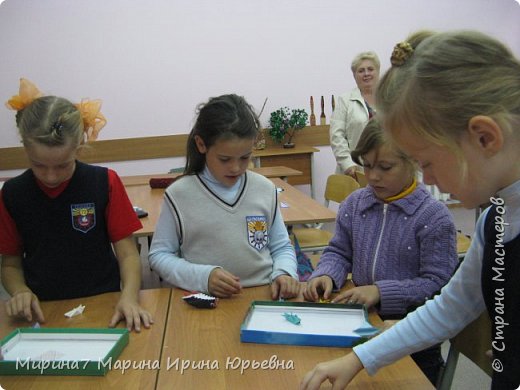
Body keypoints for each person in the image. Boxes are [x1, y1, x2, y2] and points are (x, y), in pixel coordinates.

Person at [301, 30, 520, 390]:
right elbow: (450, 308)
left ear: (485, 137)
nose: (427, 177)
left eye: (426, 161)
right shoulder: (494, 220)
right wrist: (358, 359)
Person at [304, 118, 458, 385]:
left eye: (385, 167)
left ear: (413, 161)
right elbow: (339, 251)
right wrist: (327, 274)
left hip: (414, 343)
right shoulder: (355, 203)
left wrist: (380, 291)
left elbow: (438, 286)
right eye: (367, 165)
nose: (373, 176)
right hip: (360, 326)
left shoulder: (434, 218)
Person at [0, 78, 153, 332]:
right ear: (25, 149)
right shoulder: (12, 194)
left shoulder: (104, 182)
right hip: (42, 311)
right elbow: (10, 263)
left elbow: (128, 254)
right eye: (39, 165)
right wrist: (20, 291)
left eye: (62, 165)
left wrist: (128, 297)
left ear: (79, 148)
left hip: (104, 301)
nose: (50, 176)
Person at [148, 94, 300, 299]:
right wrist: (204, 277)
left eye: (245, 157)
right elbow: (159, 256)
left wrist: (284, 273)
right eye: (225, 159)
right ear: (201, 145)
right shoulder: (179, 195)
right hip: (205, 300)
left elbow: (281, 246)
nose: (236, 168)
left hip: (264, 296)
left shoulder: (264, 189)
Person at [330, 51, 380, 178]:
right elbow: (337, 136)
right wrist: (348, 164)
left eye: (370, 69)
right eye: (361, 70)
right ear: (354, 75)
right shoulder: (345, 100)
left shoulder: (391, 98)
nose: (366, 74)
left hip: (384, 169)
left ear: (377, 72)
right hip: (355, 171)